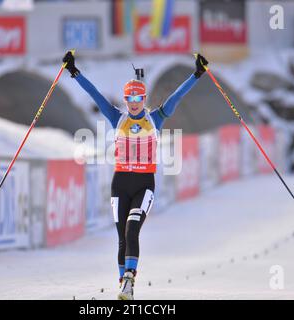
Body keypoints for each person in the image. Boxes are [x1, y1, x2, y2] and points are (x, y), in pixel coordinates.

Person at [62, 51, 208, 300]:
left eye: (137, 98)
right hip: (120, 183)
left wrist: (197, 73)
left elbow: (177, 96)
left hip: (144, 184)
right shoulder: (117, 117)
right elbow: (94, 94)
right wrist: (74, 72)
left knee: (132, 230)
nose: (133, 102)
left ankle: (130, 278)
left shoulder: (156, 118)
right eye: (129, 98)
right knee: (121, 238)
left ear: (143, 98)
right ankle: (124, 286)